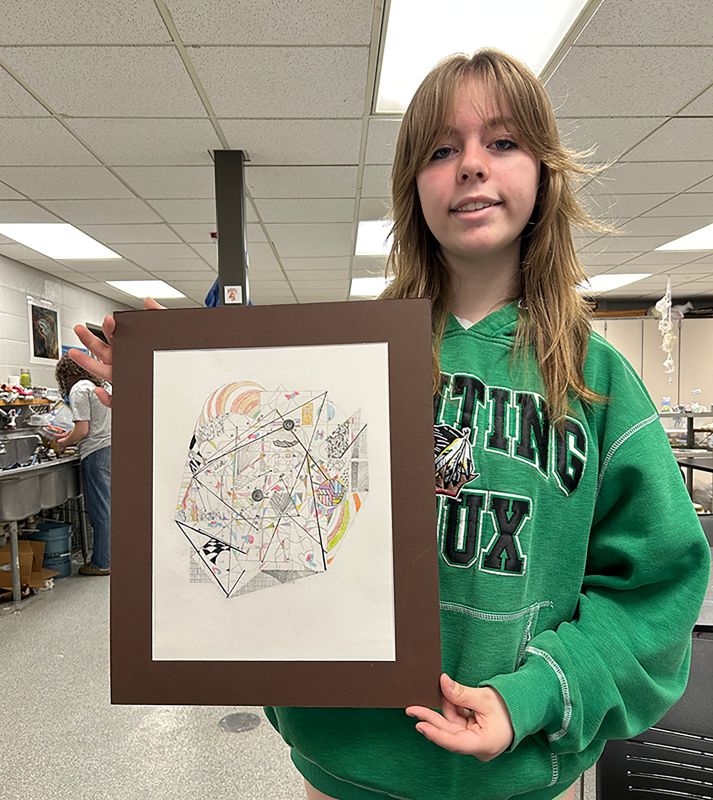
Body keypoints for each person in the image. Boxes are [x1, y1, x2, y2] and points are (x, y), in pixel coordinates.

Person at [69, 48, 710, 800]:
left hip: (518, 775)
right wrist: (165, 401)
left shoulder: (598, 383)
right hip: (344, 767)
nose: (470, 165)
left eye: (501, 142)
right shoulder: (338, 361)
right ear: (413, 186)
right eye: (441, 150)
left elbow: (654, 589)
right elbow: (255, 503)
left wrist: (533, 695)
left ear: (544, 174)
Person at [55, 353, 112, 576]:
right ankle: (109, 556)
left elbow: (82, 430)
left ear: (66, 374)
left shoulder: (79, 389)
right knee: (109, 506)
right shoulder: (102, 386)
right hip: (111, 448)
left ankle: (101, 563)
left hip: (96, 452)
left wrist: (62, 442)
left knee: (100, 510)